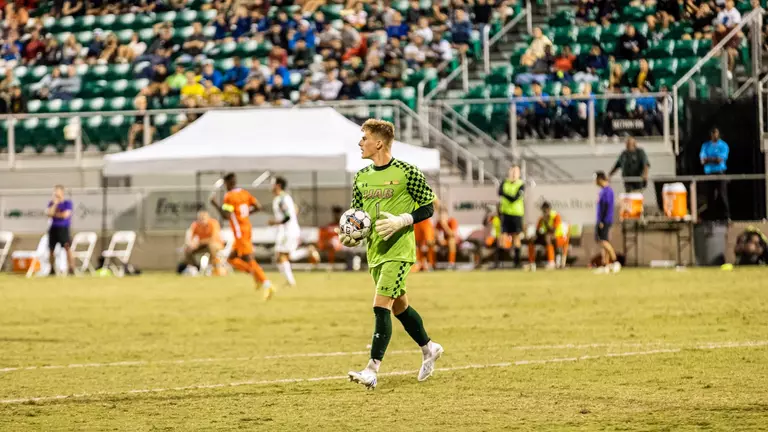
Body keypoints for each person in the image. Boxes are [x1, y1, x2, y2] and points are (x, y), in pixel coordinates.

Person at [341, 119, 443, 389]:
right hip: (375, 252)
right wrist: (351, 236)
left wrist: (403, 220)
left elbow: (428, 207)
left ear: (379, 143)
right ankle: (429, 348)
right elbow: (357, 217)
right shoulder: (361, 177)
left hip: (399, 251)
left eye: (364, 138)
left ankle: (371, 369)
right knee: (400, 308)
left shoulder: (408, 172)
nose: (360, 143)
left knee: (380, 305)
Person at [210, 173, 275, 300]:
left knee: (249, 259)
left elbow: (226, 216)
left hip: (240, 233)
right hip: (246, 229)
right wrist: (243, 215)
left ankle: (267, 284)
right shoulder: (244, 193)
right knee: (231, 259)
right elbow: (258, 207)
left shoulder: (229, 196)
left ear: (228, 183)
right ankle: (256, 276)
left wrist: (215, 204)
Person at [267, 176, 300, 287]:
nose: (271, 187)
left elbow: (287, 217)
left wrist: (274, 222)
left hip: (287, 231)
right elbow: (295, 210)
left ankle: (291, 282)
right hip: (289, 230)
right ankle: (290, 281)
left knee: (282, 255)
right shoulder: (286, 197)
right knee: (282, 256)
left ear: (278, 185)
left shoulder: (280, 199)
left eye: (273, 184)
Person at [700, 128, 730, 221]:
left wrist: (708, 159)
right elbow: (702, 160)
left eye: (716, 132)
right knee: (710, 195)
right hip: (709, 173)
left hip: (720, 172)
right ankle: (711, 217)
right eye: (713, 133)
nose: (714, 135)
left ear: (719, 133)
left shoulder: (723, 145)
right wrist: (714, 159)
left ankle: (726, 217)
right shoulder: (705, 145)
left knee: (722, 195)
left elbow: (720, 160)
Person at [527, 201, 568, 271]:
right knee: (531, 239)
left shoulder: (556, 216)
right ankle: (531, 263)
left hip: (559, 237)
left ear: (549, 209)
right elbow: (537, 231)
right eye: (543, 210)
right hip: (546, 237)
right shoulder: (541, 218)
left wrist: (546, 222)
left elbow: (552, 230)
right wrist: (538, 233)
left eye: (545, 210)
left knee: (548, 237)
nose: (544, 212)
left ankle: (551, 262)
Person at [497, 165, 525, 268]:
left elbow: (514, 198)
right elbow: (499, 192)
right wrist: (507, 195)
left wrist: (505, 194)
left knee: (516, 237)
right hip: (505, 214)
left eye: (515, 172)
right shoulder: (504, 182)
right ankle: (499, 263)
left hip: (516, 214)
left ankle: (517, 263)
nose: (513, 174)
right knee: (502, 237)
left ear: (519, 174)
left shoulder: (521, 184)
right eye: (512, 171)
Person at [594, 171, 621, 273]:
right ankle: (605, 265)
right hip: (602, 220)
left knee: (603, 241)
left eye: (596, 179)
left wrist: (602, 220)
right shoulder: (603, 191)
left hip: (604, 220)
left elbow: (606, 206)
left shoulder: (607, 191)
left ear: (600, 179)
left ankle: (615, 261)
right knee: (603, 242)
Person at [46, 185, 75, 275]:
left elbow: (65, 215)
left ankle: (71, 268)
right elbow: (49, 214)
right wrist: (55, 204)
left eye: (57, 192)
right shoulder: (52, 203)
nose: (56, 194)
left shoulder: (67, 203)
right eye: (55, 192)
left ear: (62, 193)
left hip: (63, 228)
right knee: (51, 249)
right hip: (53, 228)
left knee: (67, 247)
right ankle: (52, 269)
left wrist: (56, 215)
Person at [184, 210, 224, 275]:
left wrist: (199, 243)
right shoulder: (196, 225)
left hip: (216, 244)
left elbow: (213, 239)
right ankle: (194, 268)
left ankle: (212, 266)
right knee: (187, 249)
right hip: (203, 245)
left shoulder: (214, 223)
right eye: (200, 219)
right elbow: (190, 236)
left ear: (208, 218)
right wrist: (191, 244)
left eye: (203, 219)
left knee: (211, 246)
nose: (202, 221)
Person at [413, 198, 437, 272]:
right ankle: (420, 263)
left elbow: (436, 202)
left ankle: (430, 263)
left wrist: (430, 211)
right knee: (417, 243)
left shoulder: (425, 192)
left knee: (429, 242)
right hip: (416, 220)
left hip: (425, 219)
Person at [435, 206, 459, 270]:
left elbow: (453, 235)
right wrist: (439, 239)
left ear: (447, 215)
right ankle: (431, 264)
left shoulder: (452, 221)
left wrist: (445, 225)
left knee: (451, 241)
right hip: (443, 241)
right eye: (440, 216)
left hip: (453, 241)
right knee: (430, 241)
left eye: (443, 216)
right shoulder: (438, 223)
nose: (442, 217)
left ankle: (451, 263)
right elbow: (435, 234)